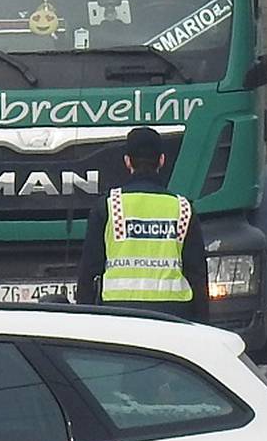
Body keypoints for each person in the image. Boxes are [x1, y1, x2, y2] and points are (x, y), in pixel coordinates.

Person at [73, 125, 209, 319]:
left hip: (119, 313)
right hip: (173, 315)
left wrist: (84, 321)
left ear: (127, 161)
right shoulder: (182, 207)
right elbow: (197, 275)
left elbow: (89, 271)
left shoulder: (109, 206)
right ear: (161, 160)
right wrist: (203, 327)